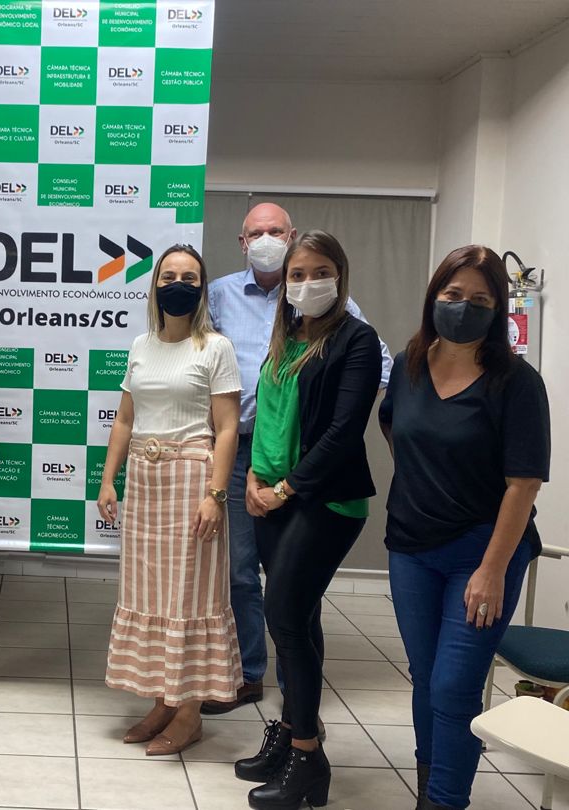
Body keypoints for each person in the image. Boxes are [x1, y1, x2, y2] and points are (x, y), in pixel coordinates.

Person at [203, 203, 393, 717]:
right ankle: (249, 674)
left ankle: (297, 700)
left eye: (275, 231)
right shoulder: (225, 297)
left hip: (309, 465)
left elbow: (378, 373)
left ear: (289, 237)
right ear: (242, 242)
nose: (265, 239)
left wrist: (331, 409)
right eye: (255, 232)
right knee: (242, 574)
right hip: (244, 453)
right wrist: (251, 471)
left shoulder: (346, 320)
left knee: (291, 592)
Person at [380, 246, 549, 810]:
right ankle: (429, 789)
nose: (463, 306)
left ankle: (446, 800)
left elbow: (523, 485)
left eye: (480, 299)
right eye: (453, 295)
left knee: (455, 684)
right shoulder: (408, 366)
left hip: (483, 551)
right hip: (410, 548)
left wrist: (493, 569)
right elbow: (395, 431)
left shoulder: (516, 382)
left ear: (498, 309)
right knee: (426, 676)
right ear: (434, 297)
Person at [234, 231, 381, 810]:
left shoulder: (357, 340)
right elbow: (265, 416)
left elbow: (344, 432)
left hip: (324, 501)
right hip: (270, 494)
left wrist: (285, 489)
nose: (307, 283)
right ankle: (294, 733)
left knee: (284, 616)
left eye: (319, 272)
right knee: (299, 618)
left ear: (339, 276)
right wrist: (254, 477)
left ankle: (306, 757)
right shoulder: (286, 335)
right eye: (297, 274)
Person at [97, 244, 244, 757]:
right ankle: (163, 699)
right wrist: (108, 480)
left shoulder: (216, 348)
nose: (177, 284)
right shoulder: (141, 345)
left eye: (189, 277)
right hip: (144, 481)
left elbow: (228, 429)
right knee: (152, 595)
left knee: (190, 597)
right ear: (155, 285)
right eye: (168, 276)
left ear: (201, 289)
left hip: (192, 480)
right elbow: (125, 419)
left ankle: (189, 714)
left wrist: (216, 495)